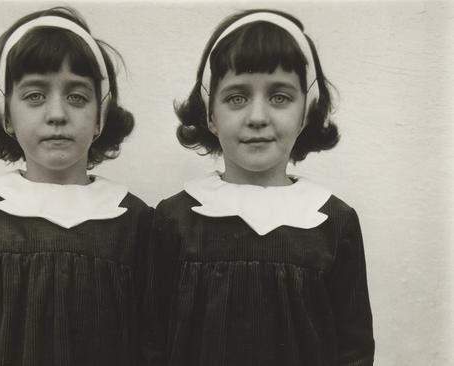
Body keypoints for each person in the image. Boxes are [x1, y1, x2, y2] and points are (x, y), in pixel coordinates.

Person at [143, 9, 374, 366]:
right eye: (236, 97)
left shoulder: (332, 223)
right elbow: (151, 343)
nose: (257, 117)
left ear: (307, 112)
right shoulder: (175, 219)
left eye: (279, 97)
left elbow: (354, 350)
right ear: (209, 114)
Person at [0, 7, 151, 366]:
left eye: (77, 97)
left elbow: (149, 346)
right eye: (35, 96)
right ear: (6, 114)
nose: (57, 114)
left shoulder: (133, 220)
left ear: (101, 116)